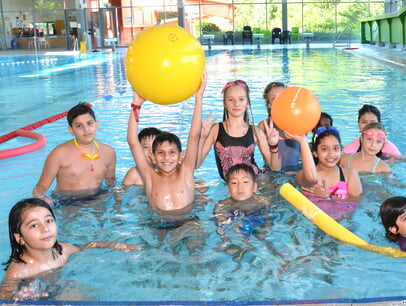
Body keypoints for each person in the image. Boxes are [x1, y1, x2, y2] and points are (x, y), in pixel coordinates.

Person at [1, 198, 141, 300]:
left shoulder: (63, 251)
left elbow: (87, 247)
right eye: (34, 225)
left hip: (59, 288)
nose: (45, 229)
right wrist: (19, 298)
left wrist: (116, 246)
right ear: (19, 238)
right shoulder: (19, 271)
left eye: (49, 221)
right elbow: (4, 300)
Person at [127, 75, 205, 212]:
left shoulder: (186, 172)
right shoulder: (149, 176)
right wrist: (136, 105)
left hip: (187, 223)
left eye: (172, 152)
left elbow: (194, 136)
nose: (166, 157)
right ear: (153, 157)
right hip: (159, 226)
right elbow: (133, 142)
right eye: (160, 153)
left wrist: (199, 99)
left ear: (181, 156)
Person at [32, 103, 116, 204]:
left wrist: (116, 196)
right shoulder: (59, 154)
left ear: (96, 124)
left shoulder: (109, 152)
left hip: (98, 198)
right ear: (71, 130)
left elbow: (110, 181)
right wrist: (43, 198)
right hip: (68, 203)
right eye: (79, 126)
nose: (86, 129)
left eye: (90, 123)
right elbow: (40, 187)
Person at [197, 79, 281, 180]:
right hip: (232, 186)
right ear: (224, 103)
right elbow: (196, 165)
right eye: (231, 100)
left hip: (256, 181)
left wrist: (273, 146)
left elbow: (275, 168)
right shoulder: (215, 130)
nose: (236, 104)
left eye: (241, 99)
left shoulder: (256, 132)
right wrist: (202, 138)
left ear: (248, 103)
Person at [296, 126, 362, 220]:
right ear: (315, 152)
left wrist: (329, 197)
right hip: (311, 225)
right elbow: (310, 178)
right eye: (325, 149)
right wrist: (303, 141)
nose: (331, 154)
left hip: (342, 225)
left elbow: (357, 201)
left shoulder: (350, 175)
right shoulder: (304, 176)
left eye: (336, 148)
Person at [213, 163, 271, 237]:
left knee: (263, 234)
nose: (240, 187)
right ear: (228, 189)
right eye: (234, 183)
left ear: (255, 187)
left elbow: (268, 218)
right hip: (234, 218)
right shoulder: (223, 205)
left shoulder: (263, 201)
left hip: (256, 215)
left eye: (245, 182)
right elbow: (220, 224)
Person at [257, 81, 301, 173]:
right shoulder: (263, 127)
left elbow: (302, 157)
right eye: (274, 98)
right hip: (272, 174)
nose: (279, 101)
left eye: (282, 97)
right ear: (269, 104)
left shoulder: (298, 124)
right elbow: (268, 160)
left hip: (295, 173)